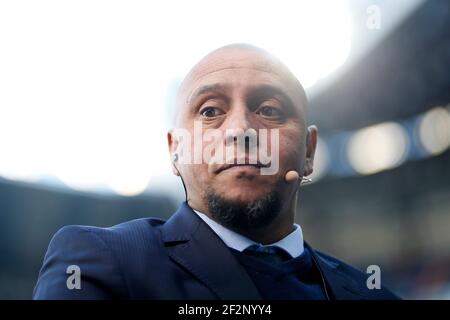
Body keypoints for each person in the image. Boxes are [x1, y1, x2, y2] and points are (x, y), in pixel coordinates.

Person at [33, 44, 399, 300]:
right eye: (210, 111)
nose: (240, 129)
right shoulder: (97, 261)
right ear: (175, 151)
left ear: (308, 151)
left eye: (269, 110)